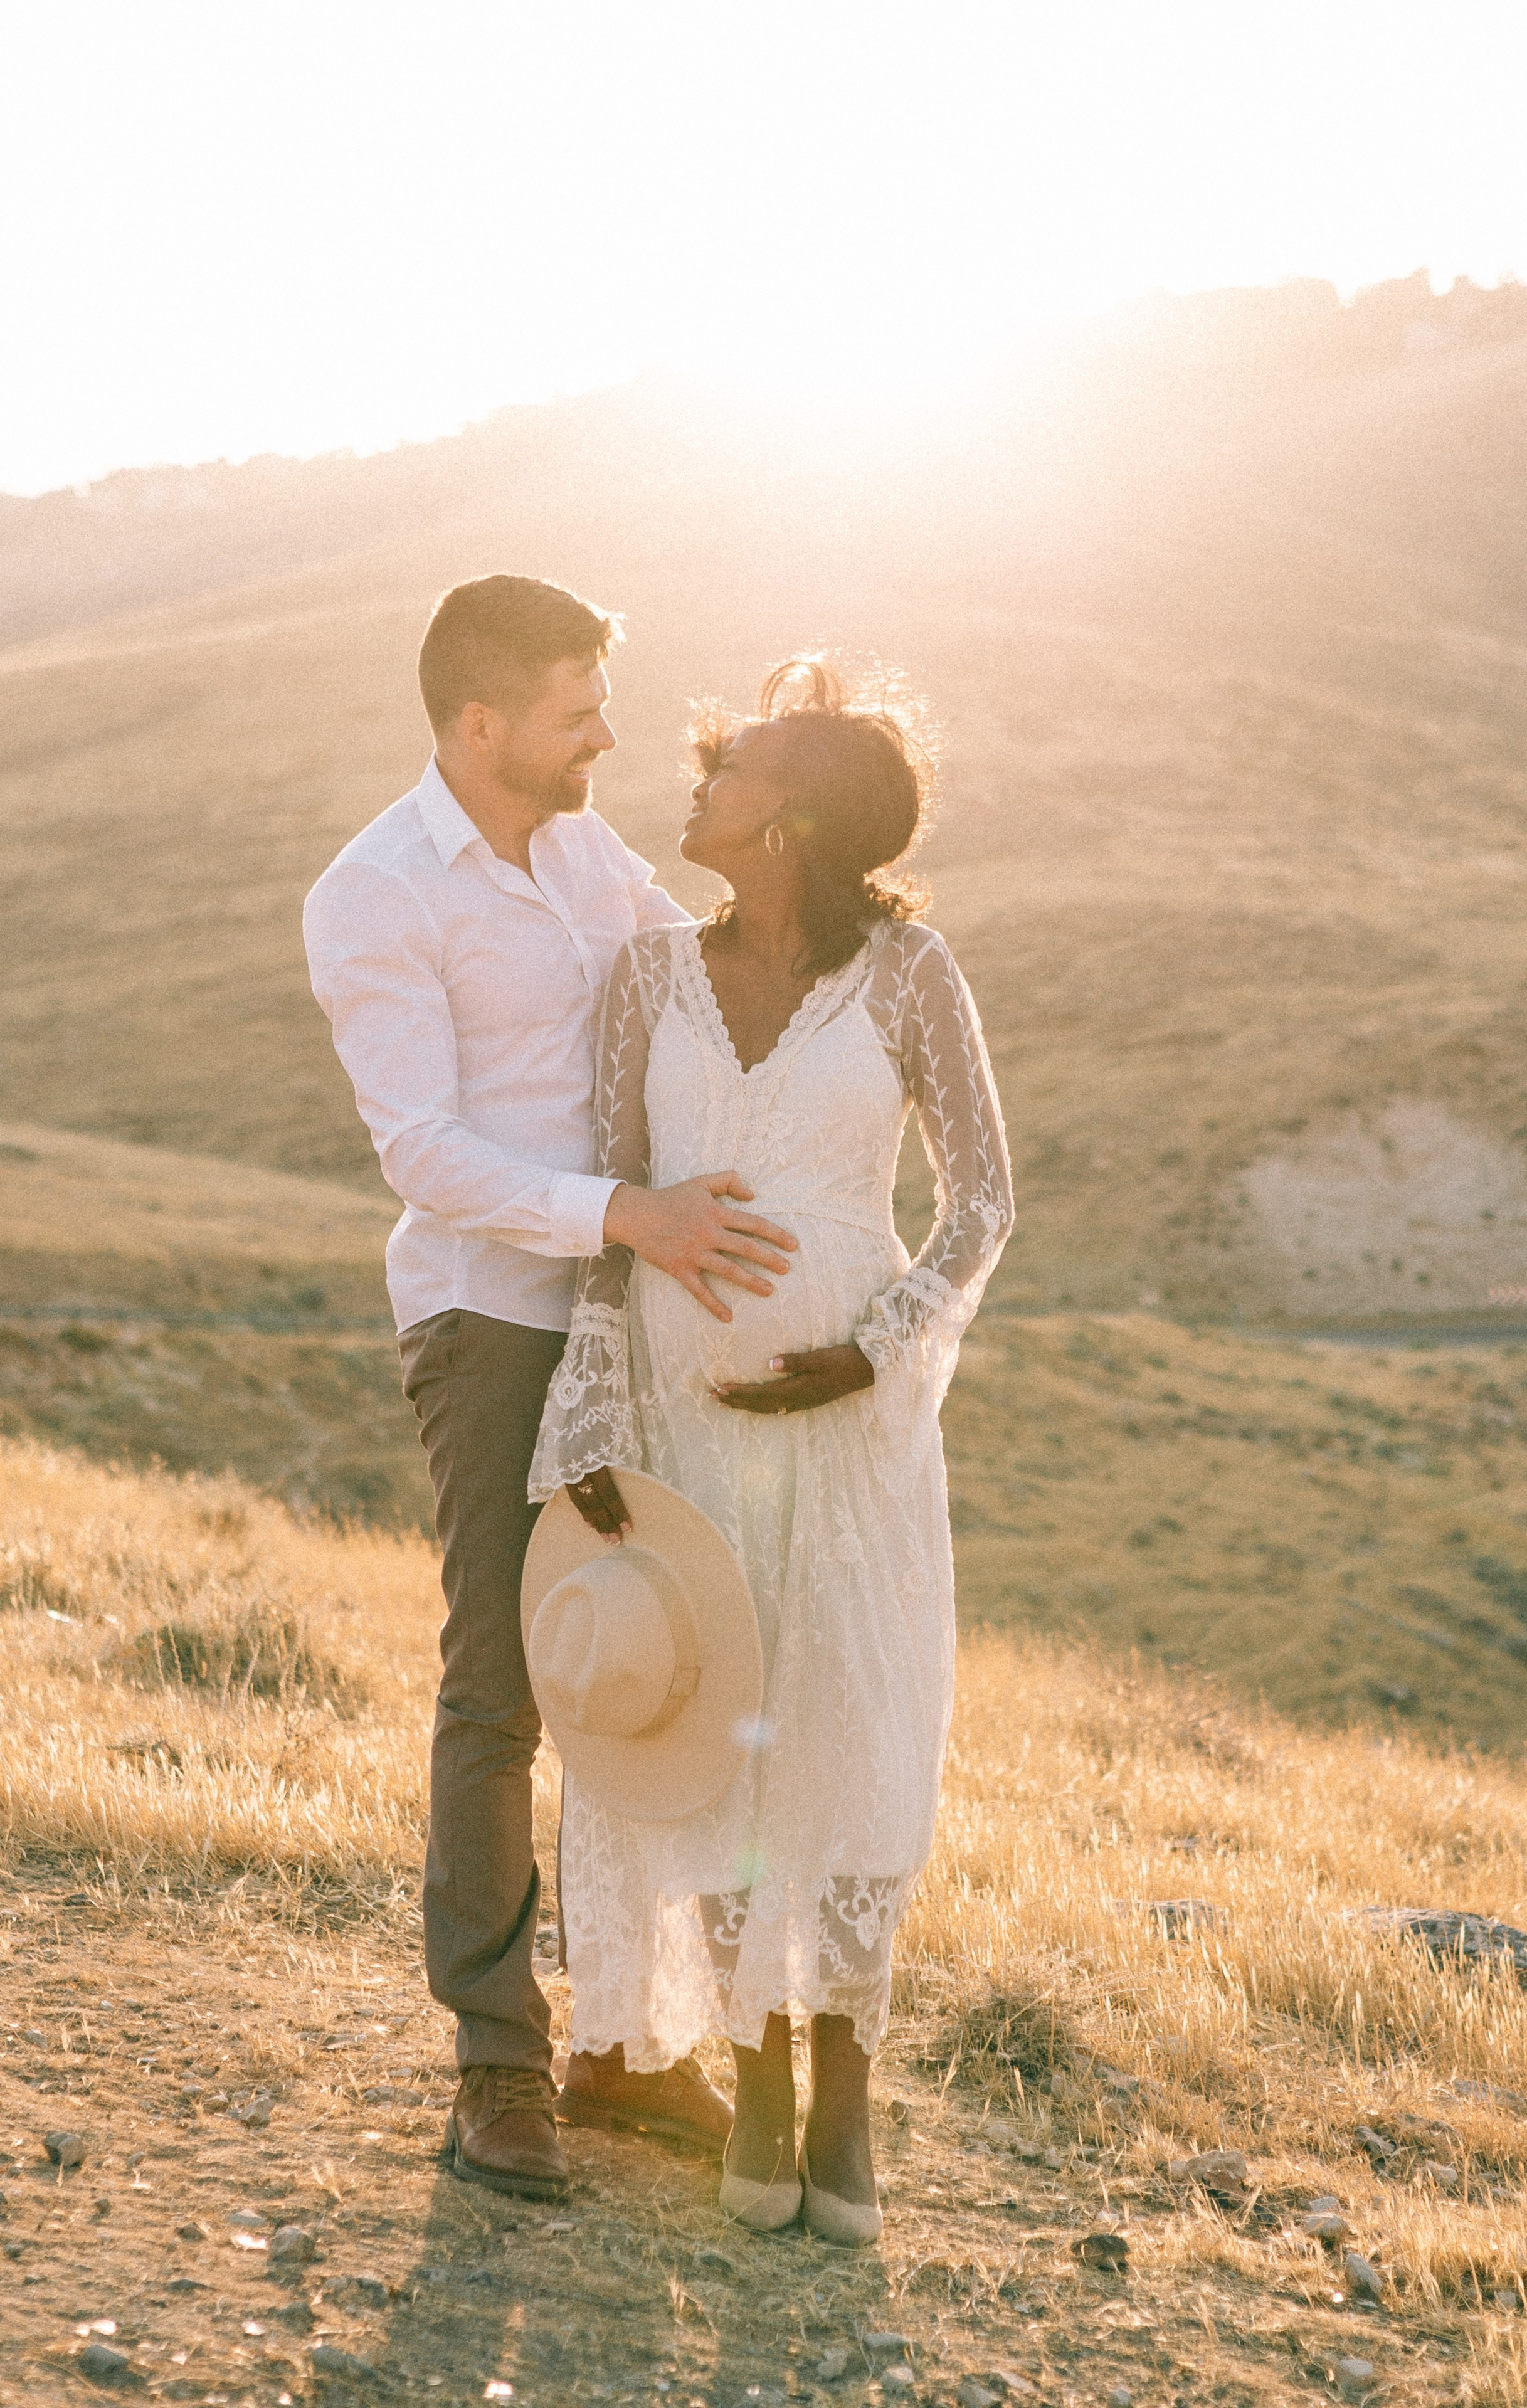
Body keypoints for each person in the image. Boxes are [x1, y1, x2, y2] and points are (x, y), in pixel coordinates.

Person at [303, 575, 801, 2200]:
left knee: (649, 1655)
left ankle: (628, 2055)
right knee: (504, 1683)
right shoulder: (373, 897)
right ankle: (495, 2067)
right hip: (493, 1320)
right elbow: (425, 1156)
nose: (606, 738)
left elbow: (706, 971)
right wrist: (628, 1218)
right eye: (579, 711)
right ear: (480, 724)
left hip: (633, 1319)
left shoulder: (590, 856)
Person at [528, 656, 1013, 2241]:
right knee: (719, 1722)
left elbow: (982, 1202)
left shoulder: (908, 975)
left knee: (846, 1726)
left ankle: (846, 2084)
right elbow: (608, 1210)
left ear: (789, 818)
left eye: (722, 771)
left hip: (853, 1426)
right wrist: (594, 1400)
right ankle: (755, 2072)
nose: (693, 789)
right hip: (679, 1421)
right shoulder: (649, 978)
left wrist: (875, 1350)